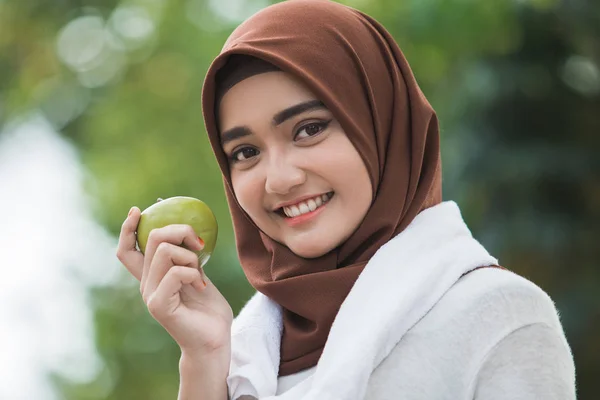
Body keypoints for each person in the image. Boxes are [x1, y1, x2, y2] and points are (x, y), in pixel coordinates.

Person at [116, 0, 576, 399]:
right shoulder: (245, 353)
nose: (279, 179)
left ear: (381, 125)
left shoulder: (497, 317)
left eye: (309, 129)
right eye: (246, 152)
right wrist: (204, 357)